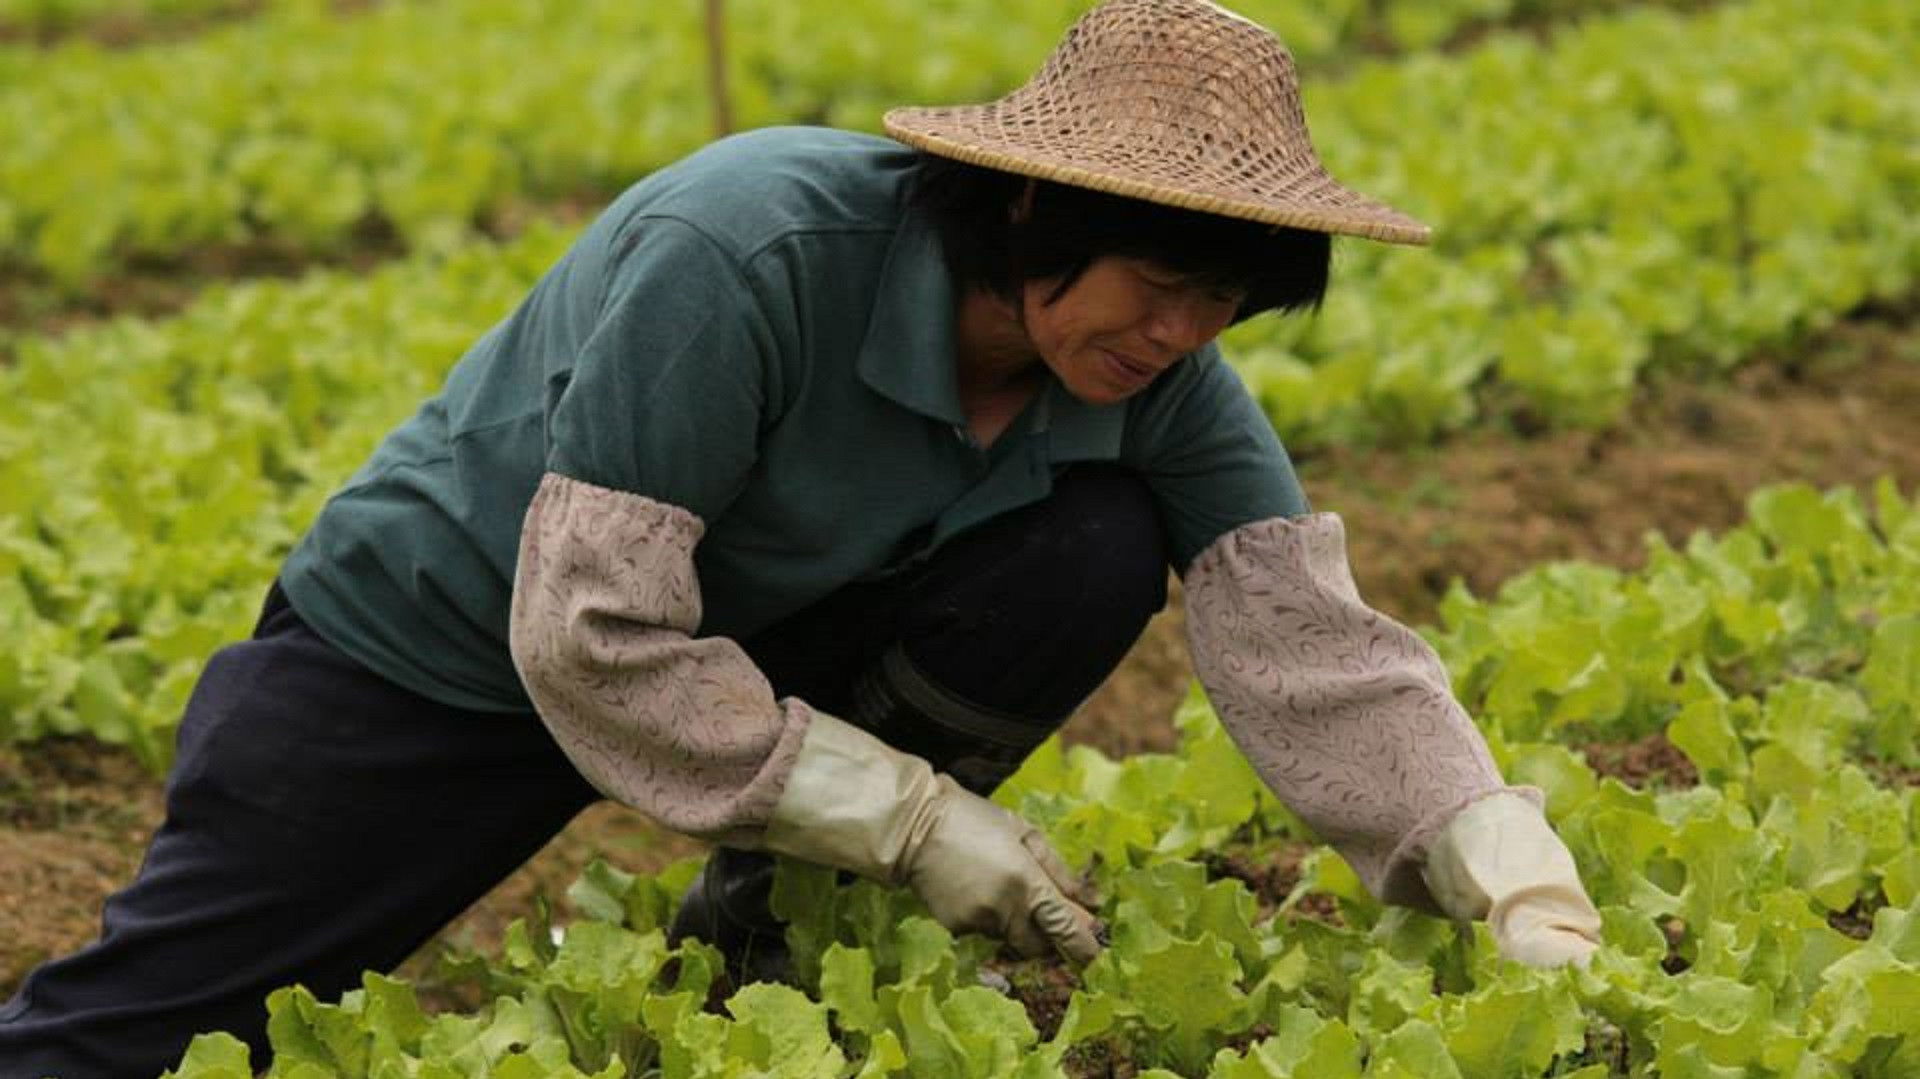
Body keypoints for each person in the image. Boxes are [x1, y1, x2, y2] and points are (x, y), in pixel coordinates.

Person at [0, 0, 1603, 1073]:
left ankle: (769, 920)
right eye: (1160, 283)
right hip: (443, 652)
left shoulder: (1151, 375)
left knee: (1095, 544)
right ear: (1035, 210)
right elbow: (589, 636)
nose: (1183, 334)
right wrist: (906, 815)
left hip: (743, 648)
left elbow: (1301, 630)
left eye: (1225, 302)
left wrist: (1483, 842)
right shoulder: (752, 248)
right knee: (154, 1031)